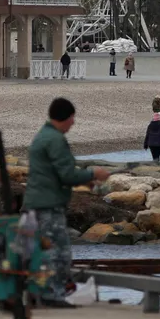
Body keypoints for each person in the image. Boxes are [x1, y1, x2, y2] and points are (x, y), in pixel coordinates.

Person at [26, 97, 109, 307]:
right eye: (73, 118)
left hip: (38, 202)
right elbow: (66, 174)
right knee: (59, 253)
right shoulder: (54, 139)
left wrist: (86, 180)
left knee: (44, 251)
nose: (74, 123)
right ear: (67, 117)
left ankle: (43, 293)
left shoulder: (44, 136)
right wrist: (94, 173)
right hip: (48, 205)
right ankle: (52, 295)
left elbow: (55, 173)